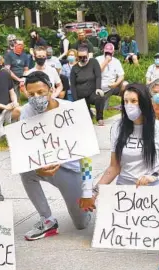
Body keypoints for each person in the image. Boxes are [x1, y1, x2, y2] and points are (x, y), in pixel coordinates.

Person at [19, 71, 95, 240]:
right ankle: (47, 219)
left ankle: (93, 199)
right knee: (25, 172)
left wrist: (87, 190)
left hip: (71, 170)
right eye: (31, 94)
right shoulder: (26, 112)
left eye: (40, 92)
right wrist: (38, 168)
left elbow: (87, 155)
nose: (36, 97)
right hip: (44, 167)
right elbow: (25, 151)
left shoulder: (72, 110)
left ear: (51, 89)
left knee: (81, 224)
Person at [96, 83, 159, 189]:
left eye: (133, 101)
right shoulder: (117, 127)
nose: (129, 105)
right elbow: (114, 167)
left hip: (153, 188)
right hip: (125, 189)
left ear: (143, 103)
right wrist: (95, 191)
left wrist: (153, 177)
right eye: (126, 101)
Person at [70, 45, 104, 125]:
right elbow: (73, 85)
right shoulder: (74, 68)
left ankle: (99, 117)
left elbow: (98, 76)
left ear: (88, 55)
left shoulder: (94, 62)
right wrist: (75, 100)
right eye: (80, 57)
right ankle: (90, 113)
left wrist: (98, 88)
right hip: (80, 95)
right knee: (87, 122)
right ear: (77, 56)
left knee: (100, 97)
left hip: (92, 93)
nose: (82, 59)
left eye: (84, 56)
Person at [96, 43, 125, 110]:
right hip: (99, 86)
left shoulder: (116, 61)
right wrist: (106, 61)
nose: (108, 54)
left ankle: (123, 104)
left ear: (113, 52)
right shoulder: (98, 59)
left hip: (112, 86)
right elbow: (97, 72)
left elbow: (121, 75)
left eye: (110, 53)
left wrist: (116, 83)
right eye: (106, 52)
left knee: (125, 84)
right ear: (103, 51)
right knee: (103, 109)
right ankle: (105, 105)